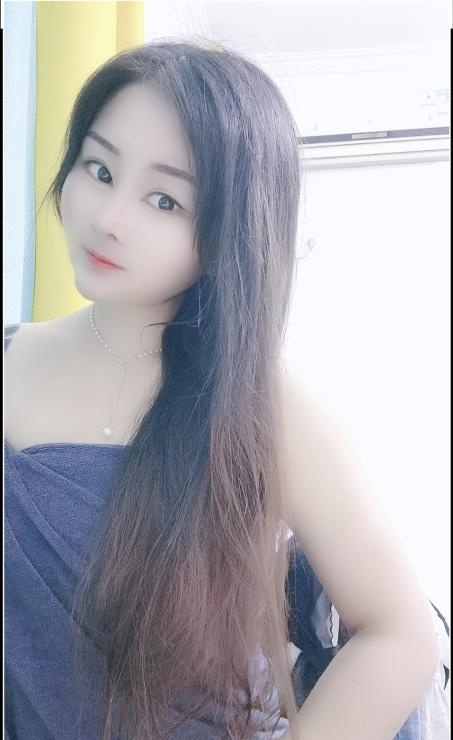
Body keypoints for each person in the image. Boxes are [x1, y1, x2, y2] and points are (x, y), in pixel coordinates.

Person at [4, 38, 441, 740]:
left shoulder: (264, 407)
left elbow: (400, 633)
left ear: (229, 230)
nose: (109, 217)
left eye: (164, 199)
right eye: (99, 168)